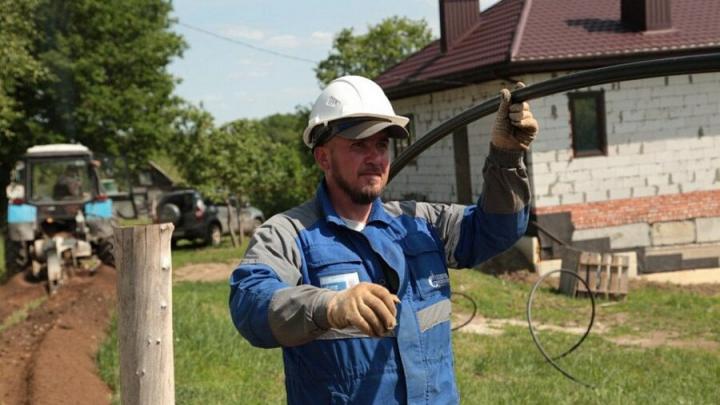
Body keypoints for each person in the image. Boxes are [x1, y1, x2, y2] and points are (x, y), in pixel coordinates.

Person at [229, 75, 538, 404]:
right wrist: (328, 306)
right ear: (323, 158)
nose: (375, 157)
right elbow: (250, 303)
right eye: (358, 145)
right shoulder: (288, 233)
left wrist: (506, 158)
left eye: (381, 145)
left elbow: (497, 229)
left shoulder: (420, 223)